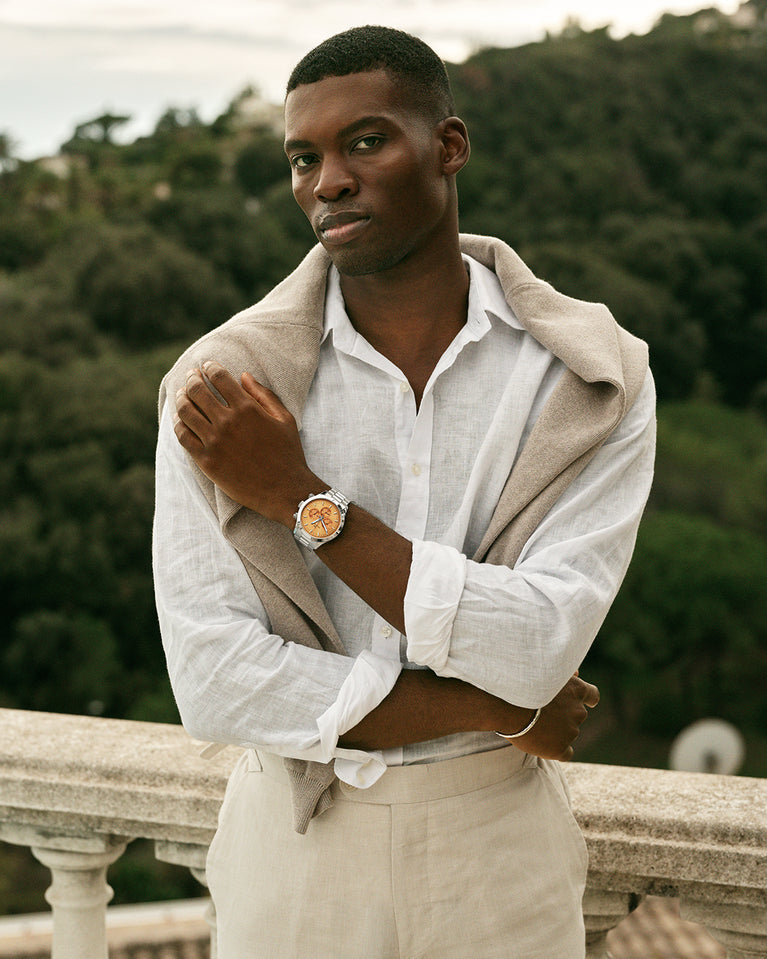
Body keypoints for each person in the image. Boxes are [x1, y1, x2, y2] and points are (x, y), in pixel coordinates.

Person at [153, 25, 655, 959]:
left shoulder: (590, 374)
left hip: (498, 849)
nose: (326, 181)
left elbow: (542, 642)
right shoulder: (222, 384)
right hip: (297, 840)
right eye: (304, 158)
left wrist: (305, 499)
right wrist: (496, 707)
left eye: (366, 141)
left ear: (448, 146)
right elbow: (216, 682)